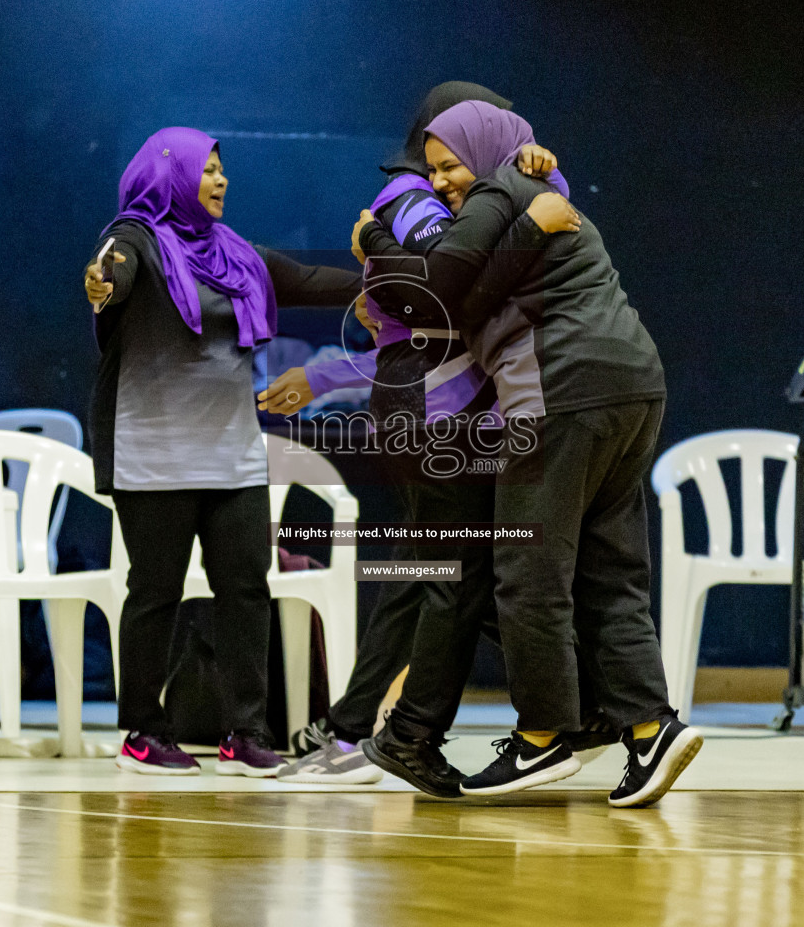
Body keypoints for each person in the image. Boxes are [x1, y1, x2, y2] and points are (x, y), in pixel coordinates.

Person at [356, 100, 702, 808]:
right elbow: (468, 290)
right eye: (434, 170)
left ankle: (543, 739)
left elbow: (446, 287)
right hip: (635, 384)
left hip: (561, 389)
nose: (444, 181)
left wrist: (372, 242)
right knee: (609, 573)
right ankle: (648, 727)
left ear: (485, 151)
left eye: (451, 164)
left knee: (526, 571)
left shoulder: (499, 189)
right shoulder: (535, 190)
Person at [262, 82, 577, 789]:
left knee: (431, 569)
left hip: (436, 395)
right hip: (430, 405)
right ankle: (398, 731)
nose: (447, 174)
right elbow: (447, 290)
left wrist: (544, 171)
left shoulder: (461, 193)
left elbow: (423, 319)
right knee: (459, 572)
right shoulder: (411, 197)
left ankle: (353, 726)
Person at [85, 127, 360, 777]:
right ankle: (142, 732)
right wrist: (101, 285)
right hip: (153, 455)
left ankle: (245, 732)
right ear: (170, 176)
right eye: (206, 169)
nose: (220, 179)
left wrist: (381, 285)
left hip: (231, 453)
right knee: (154, 591)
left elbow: (312, 279)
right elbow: (110, 277)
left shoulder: (235, 255)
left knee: (246, 588)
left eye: (221, 169)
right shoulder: (133, 242)